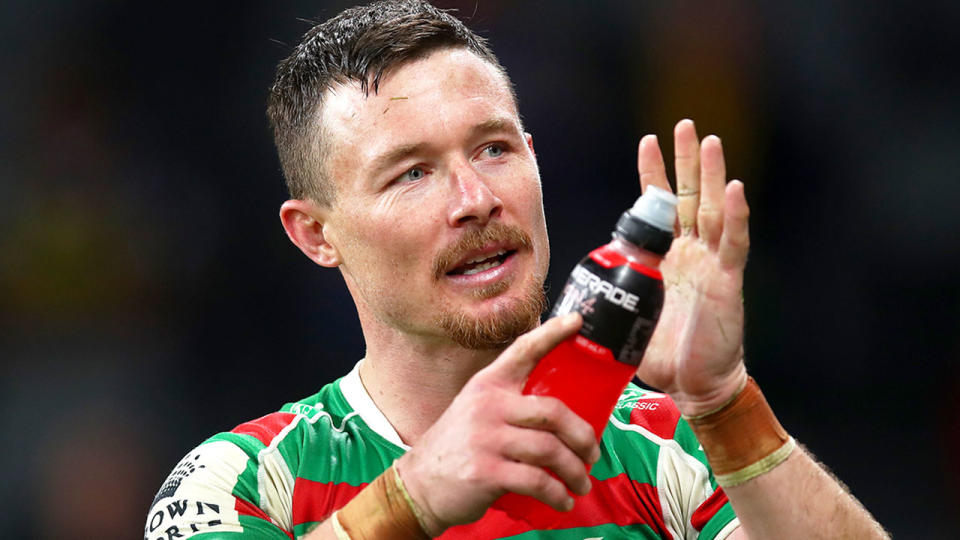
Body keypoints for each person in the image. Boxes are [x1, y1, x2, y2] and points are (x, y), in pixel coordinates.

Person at [145, 1, 888, 538]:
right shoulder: (239, 480)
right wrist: (416, 497)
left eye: (495, 149)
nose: (476, 199)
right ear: (315, 234)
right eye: (411, 173)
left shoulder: (672, 452)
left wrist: (725, 404)